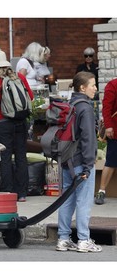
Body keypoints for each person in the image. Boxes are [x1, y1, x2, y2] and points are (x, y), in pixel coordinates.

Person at [56, 71, 102, 253]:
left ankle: (63, 238)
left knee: (66, 200)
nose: (95, 88)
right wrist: (89, 164)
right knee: (83, 201)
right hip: (81, 162)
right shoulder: (86, 107)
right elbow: (88, 139)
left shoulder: (70, 104)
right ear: (82, 87)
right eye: (93, 85)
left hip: (66, 160)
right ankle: (83, 239)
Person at [0, 50, 34, 202]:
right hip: (21, 122)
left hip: (3, 122)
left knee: (5, 157)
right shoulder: (18, 76)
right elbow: (30, 97)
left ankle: (7, 191)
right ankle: (22, 194)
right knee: (21, 156)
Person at [94, 78, 117, 205]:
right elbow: (107, 107)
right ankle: (101, 190)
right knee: (111, 162)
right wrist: (108, 125)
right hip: (115, 130)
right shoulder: (113, 85)